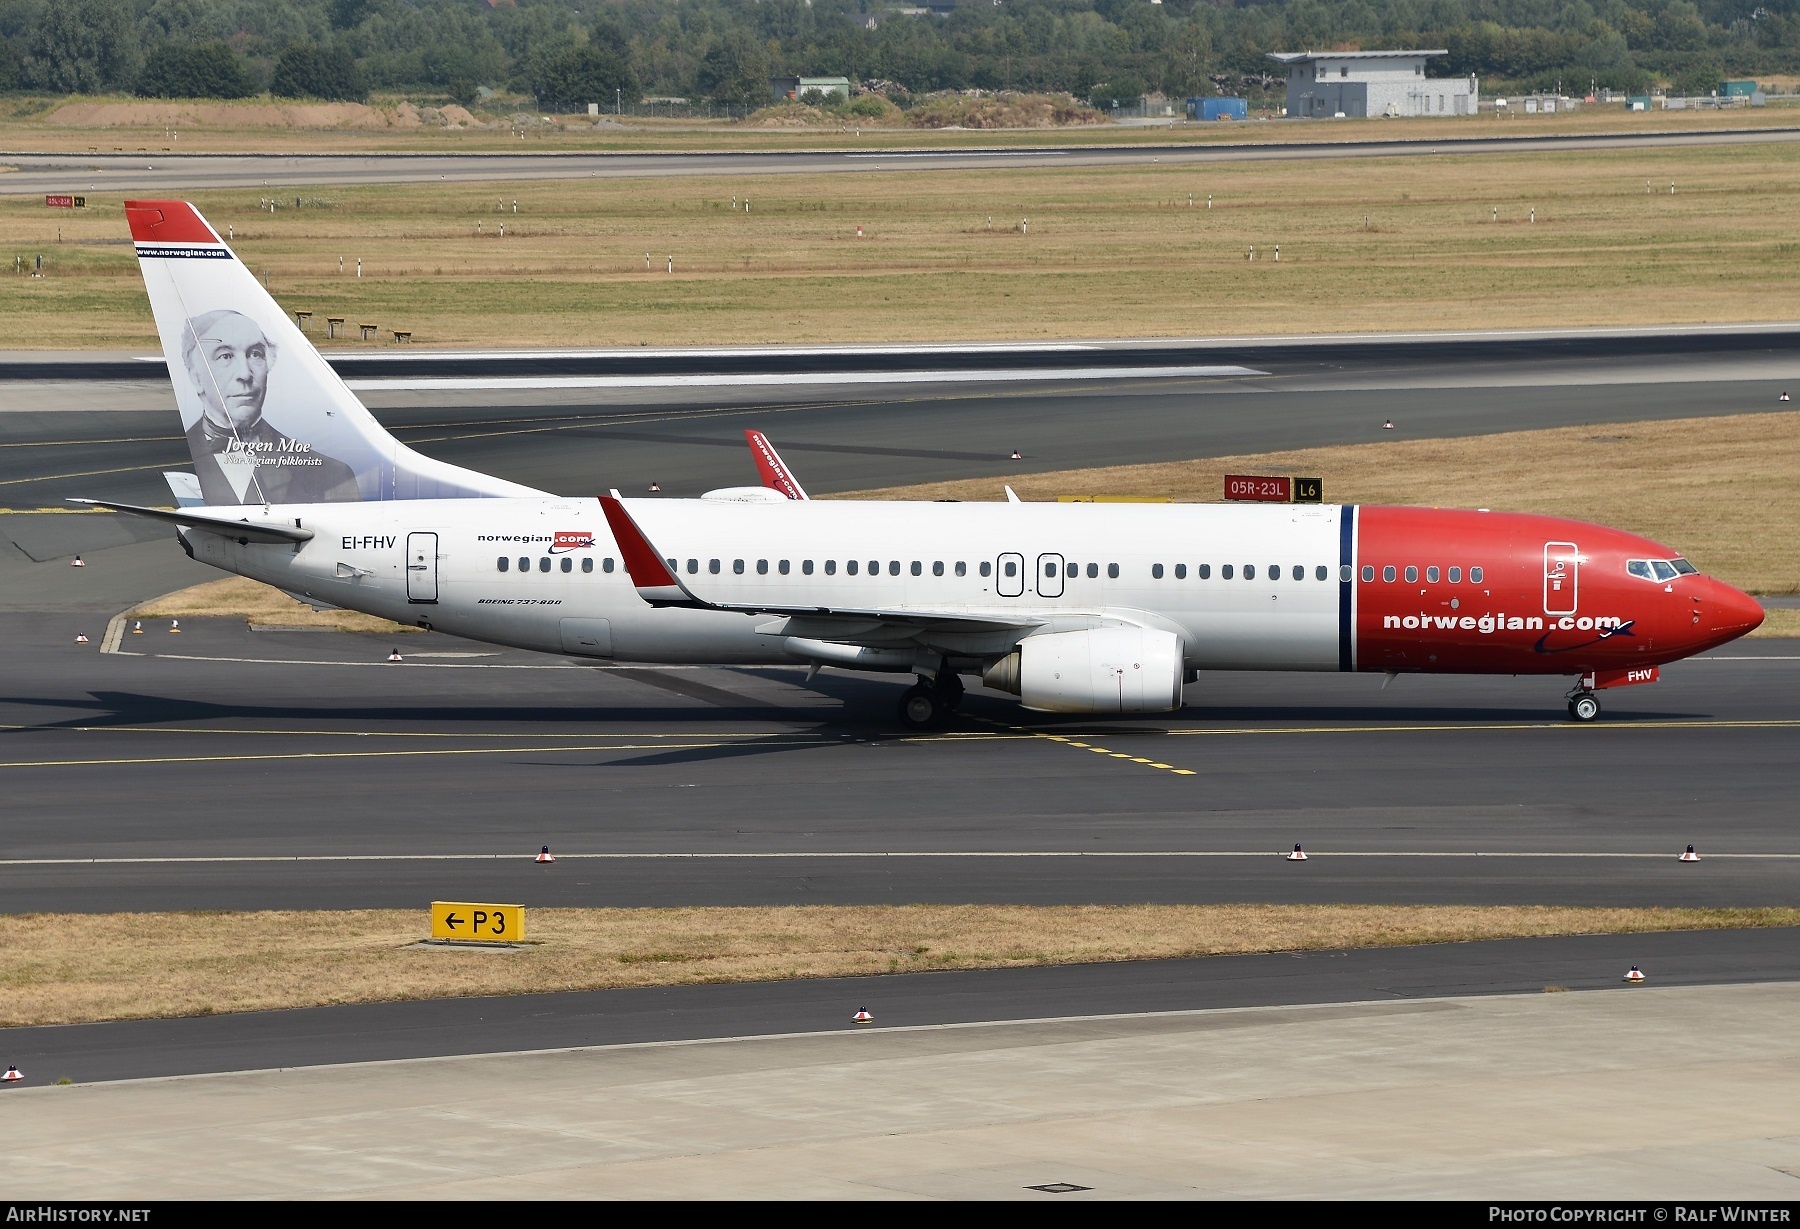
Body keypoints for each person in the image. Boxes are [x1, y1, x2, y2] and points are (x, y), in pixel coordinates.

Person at [180, 310, 360, 505]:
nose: (245, 374)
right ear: (196, 378)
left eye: (255, 354)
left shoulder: (332, 474)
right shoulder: (181, 466)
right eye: (225, 356)